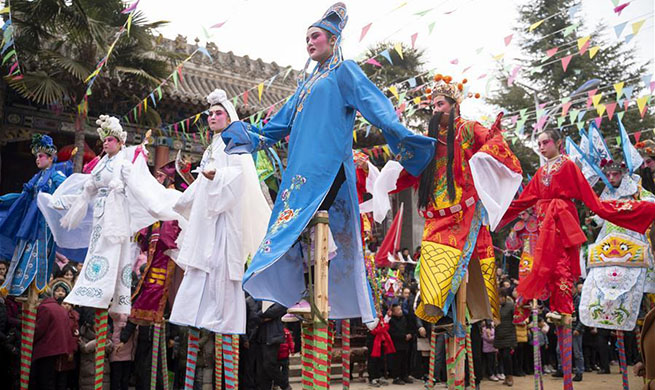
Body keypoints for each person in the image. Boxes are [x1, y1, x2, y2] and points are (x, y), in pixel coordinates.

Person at [221, 2, 435, 324]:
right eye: (306, 37)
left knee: (307, 223)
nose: (310, 42)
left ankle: (311, 293)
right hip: (299, 170)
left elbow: (376, 105)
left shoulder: (344, 72)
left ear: (333, 40)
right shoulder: (303, 86)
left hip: (327, 165)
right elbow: (276, 127)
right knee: (289, 228)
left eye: (316, 36)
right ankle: (303, 292)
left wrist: (403, 136)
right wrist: (244, 136)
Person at [372, 76, 523, 325]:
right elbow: (410, 166)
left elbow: (493, 143)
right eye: (433, 106)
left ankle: (462, 314)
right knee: (433, 262)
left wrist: (489, 146)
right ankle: (439, 313)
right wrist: (389, 177)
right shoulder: (427, 139)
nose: (435, 110)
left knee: (463, 264)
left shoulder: (468, 128)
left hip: (464, 211)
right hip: (435, 214)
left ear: (454, 105)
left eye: (440, 104)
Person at [499, 128, 655, 322]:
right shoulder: (541, 171)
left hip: (560, 217)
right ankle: (554, 307)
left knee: (560, 261)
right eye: (538, 144)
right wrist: (496, 208)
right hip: (544, 219)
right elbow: (525, 200)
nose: (541, 147)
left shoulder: (568, 165)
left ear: (558, 144)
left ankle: (564, 308)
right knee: (547, 262)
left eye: (545, 142)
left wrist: (602, 209)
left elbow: (586, 195)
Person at [39, 115, 182, 315]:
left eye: (110, 139)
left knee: (112, 252)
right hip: (100, 214)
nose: (106, 143)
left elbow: (140, 189)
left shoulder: (124, 166)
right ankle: (91, 290)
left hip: (116, 216)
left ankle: (103, 293)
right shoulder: (101, 164)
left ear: (121, 142)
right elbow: (86, 192)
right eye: (104, 140)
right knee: (96, 250)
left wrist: (157, 205)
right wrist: (60, 202)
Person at [169, 88, 270, 336]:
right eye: (210, 114)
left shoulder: (235, 142)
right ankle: (192, 315)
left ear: (229, 117)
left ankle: (224, 320)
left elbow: (240, 177)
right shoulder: (210, 148)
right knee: (199, 265)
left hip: (225, 217)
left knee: (221, 268)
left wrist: (217, 176)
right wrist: (182, 202)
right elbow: (202, 183)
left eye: (218, 113)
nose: (212, 118)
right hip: (208, 218)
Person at [580, 158, 655, 332]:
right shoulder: (606, 193)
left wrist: (631, 207)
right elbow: (600, 215)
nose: (611, 178)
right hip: (609, 245)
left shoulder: (635, 189)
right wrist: (592, 221)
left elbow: (651, 202)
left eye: (615, 174)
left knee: (639, 291)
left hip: (631, 242)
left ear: (623, 174)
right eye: (608, 175)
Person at [0, 134, 69, 296]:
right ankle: (18, 288)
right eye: (37, 156)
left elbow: (66, 195)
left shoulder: (56, 176)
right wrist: (3, 199)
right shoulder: (36, 178)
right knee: (23, 252)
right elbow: (22, 197)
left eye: (41, 156)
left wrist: (54, 204)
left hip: (44, 225)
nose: (37, 159)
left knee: (38, 255)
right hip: (30, 222)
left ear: (51, 158)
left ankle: (35, 291)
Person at [31, 288, 76, 390]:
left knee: (43, 380)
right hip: (58, 349)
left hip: (45, 349)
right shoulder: (60, 309)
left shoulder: (45, 308)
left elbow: (39, 329)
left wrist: (29, 340)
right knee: (51, 379)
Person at [494, 288, 516, 387]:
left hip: (509, 335)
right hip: (499, 335)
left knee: (507, 357)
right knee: (502, 357)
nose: (500, 299)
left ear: (505, 297)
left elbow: (515, 319)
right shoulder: (495, 307)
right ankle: (506, 377)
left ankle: (510, 376)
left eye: (501, 297)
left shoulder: (511, 306)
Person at [388, 303, 414, 385]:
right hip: (397, 344)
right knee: (397, 361)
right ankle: (396, 377)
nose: (400, 311)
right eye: (398, 310)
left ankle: (404, 376)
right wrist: (403, 336)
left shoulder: (404, 318)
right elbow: (392, 333)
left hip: (405, 343)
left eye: (400, 309)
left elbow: (409, 327)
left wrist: (410, 334)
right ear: (394, 312)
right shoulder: (391, 321)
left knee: (405, 360)